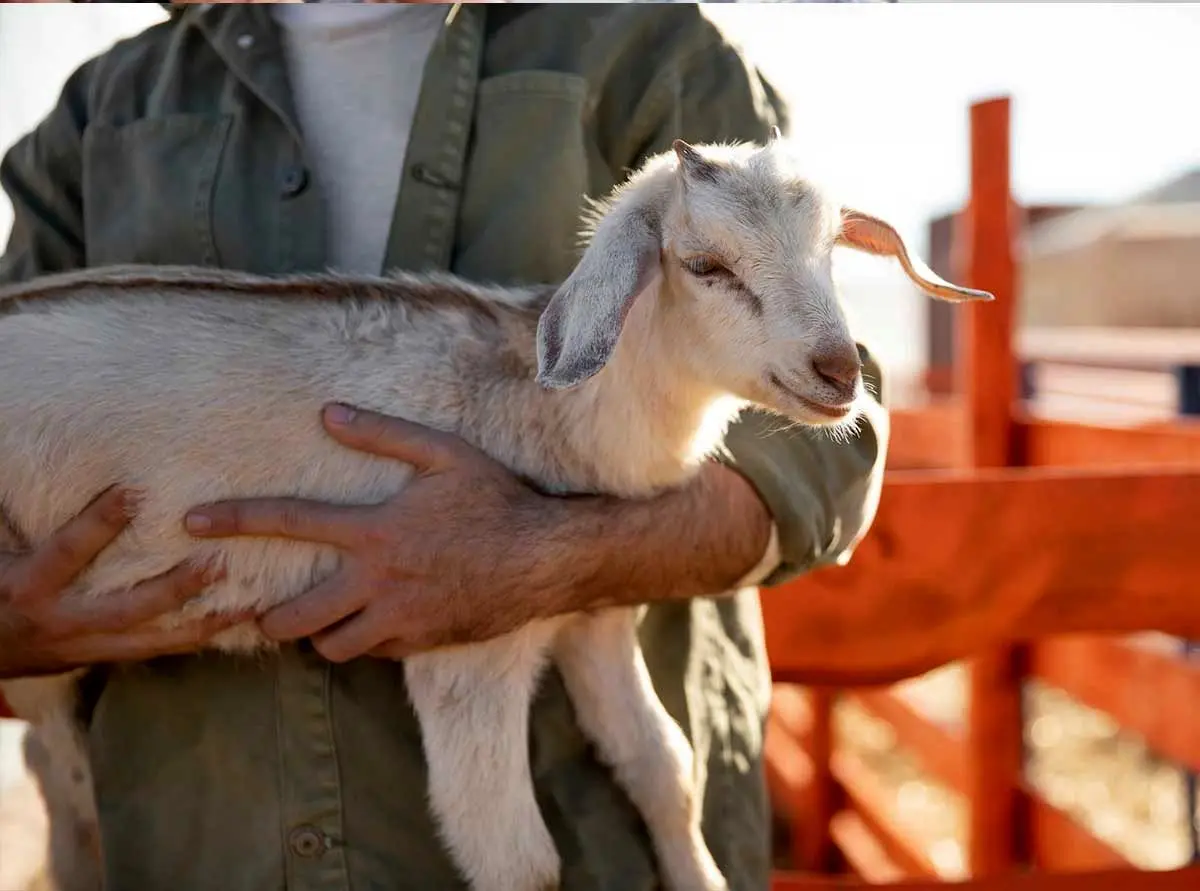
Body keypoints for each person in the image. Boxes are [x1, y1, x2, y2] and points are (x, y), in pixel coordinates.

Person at [0, 3, 888, 890]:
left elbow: (830, 447)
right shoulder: (105, 108)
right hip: (197, 851)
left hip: (599, 853)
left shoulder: (646, 49)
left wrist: (550, 554)